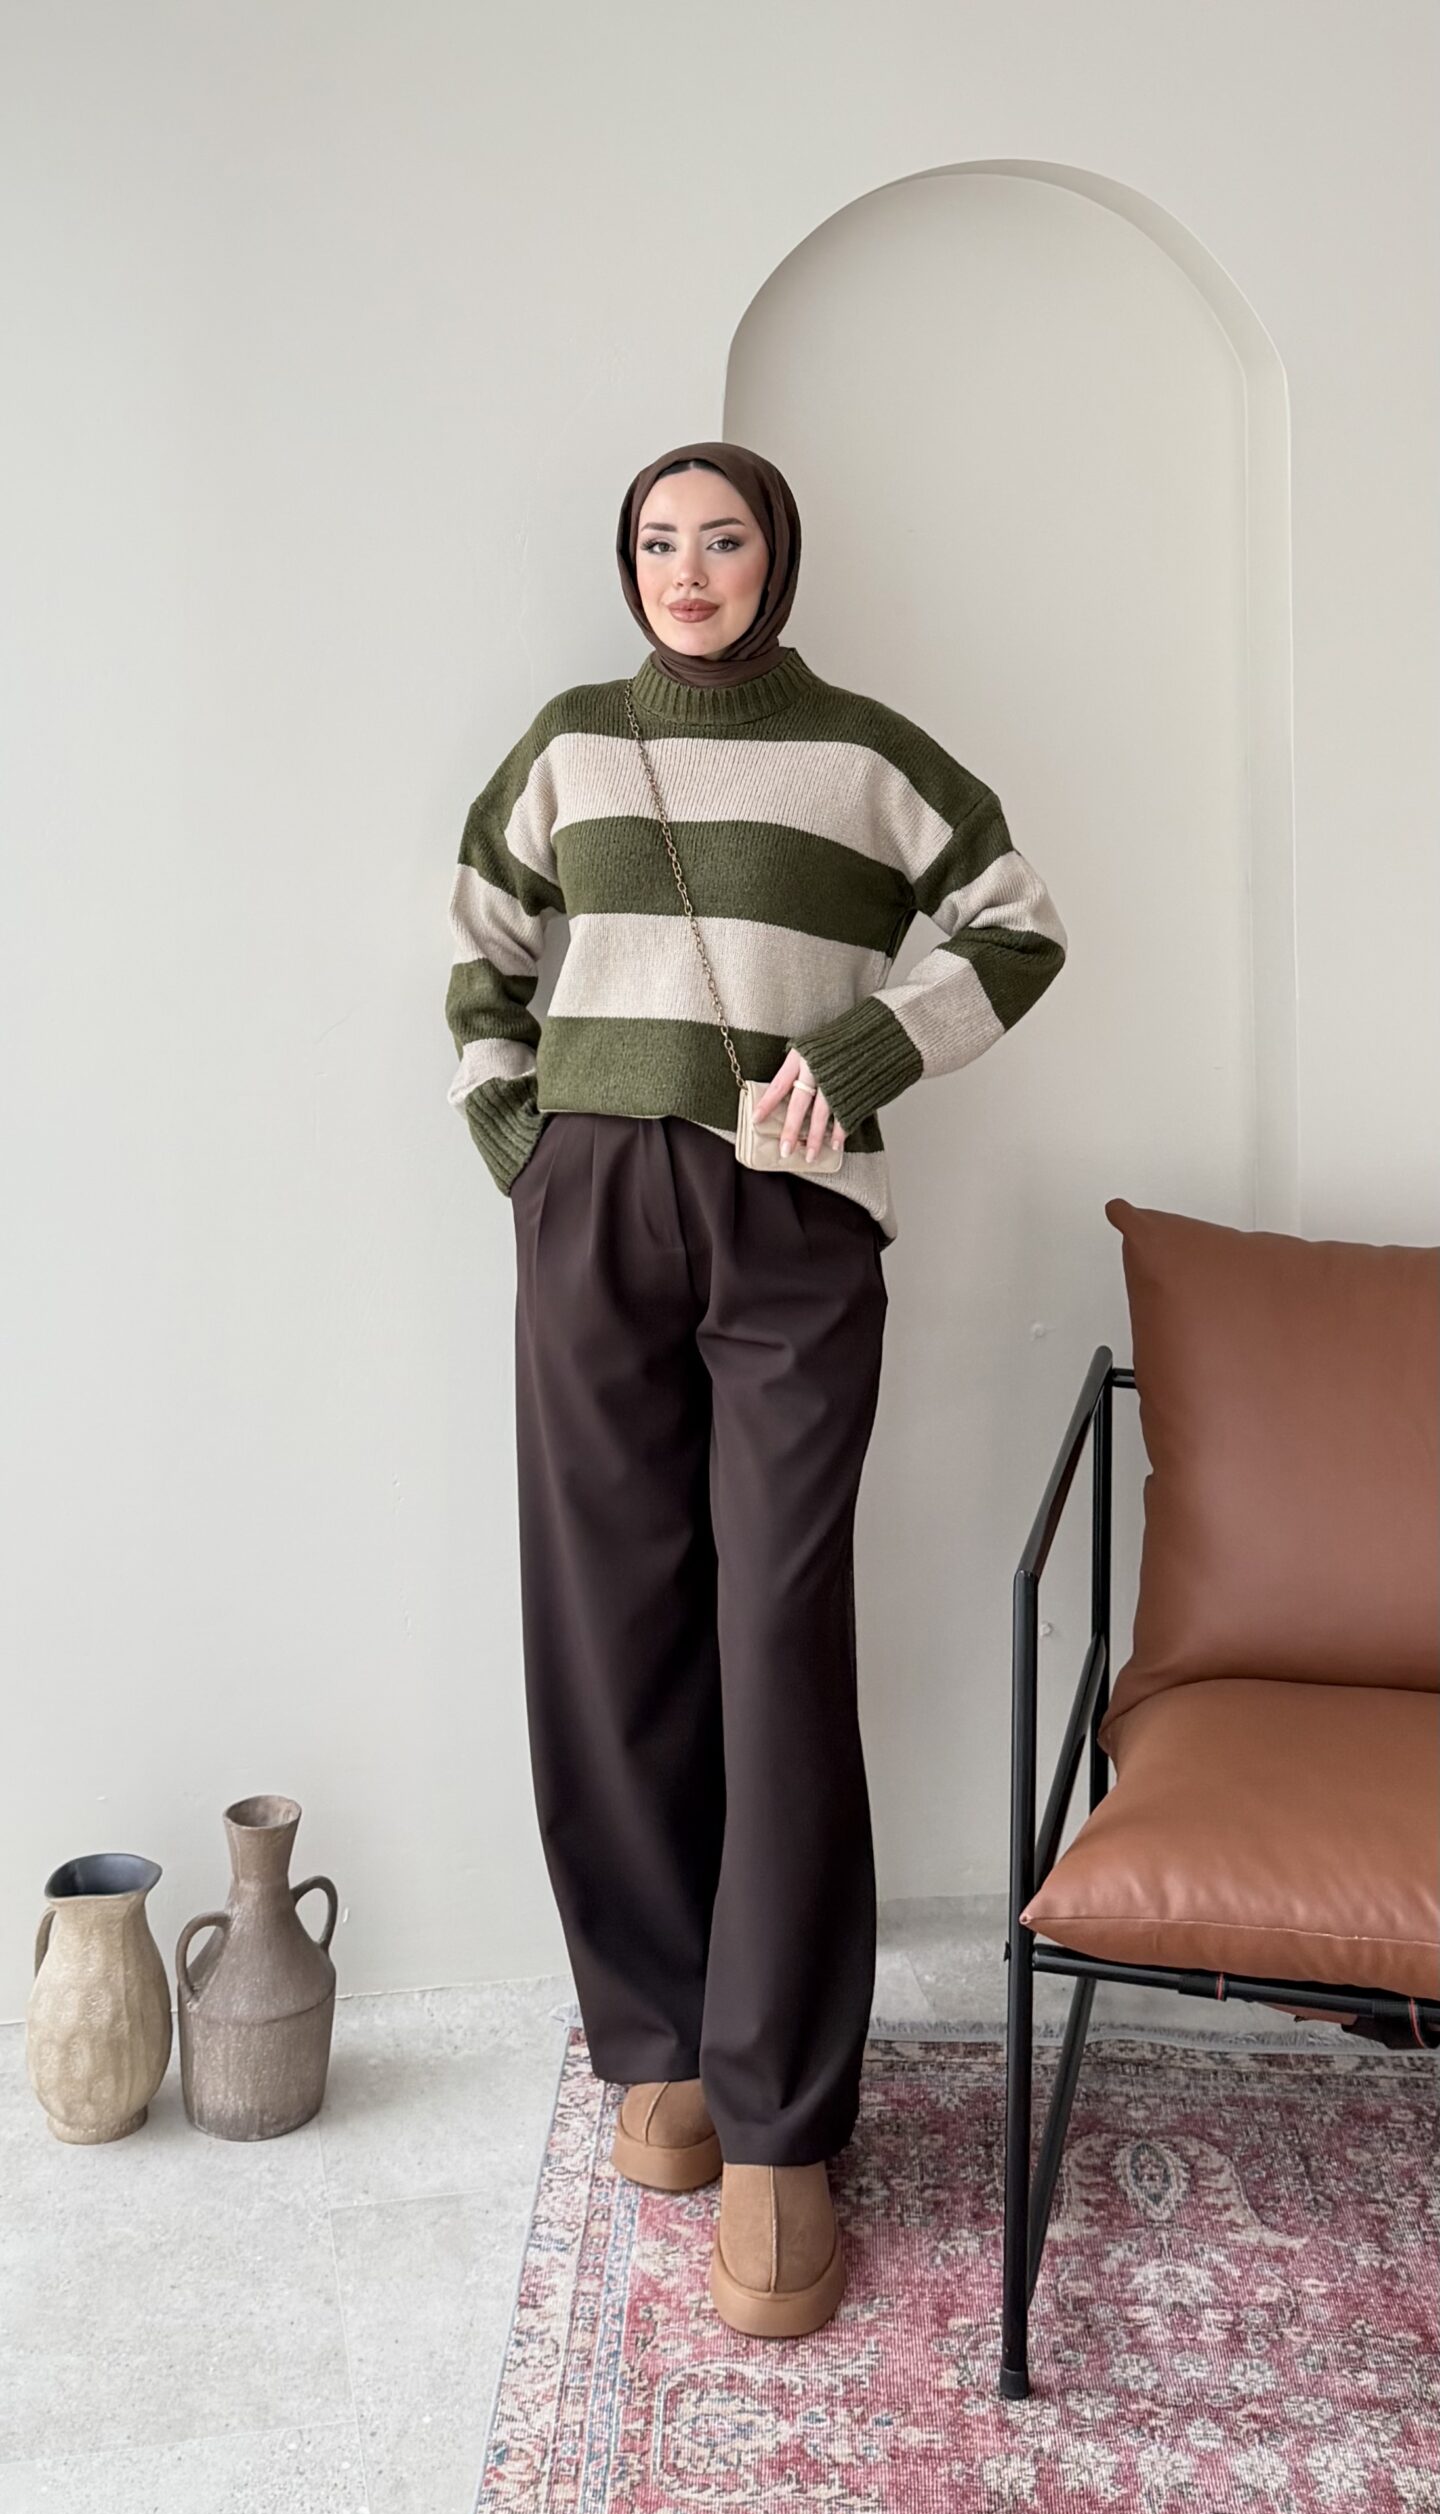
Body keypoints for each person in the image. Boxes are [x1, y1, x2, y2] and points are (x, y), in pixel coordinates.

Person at [443, 438, 1068, 2338]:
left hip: (793, 1218)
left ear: (777, 558)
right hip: (588, 1211)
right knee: (608, 1628)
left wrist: (865, 1055)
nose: (688, 568)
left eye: (722, 538)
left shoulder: (867, 755)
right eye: (659, 541)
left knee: (775, 1636)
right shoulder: (569, 745)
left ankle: (785, 2122)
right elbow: (481, 945)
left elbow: (1020, 920)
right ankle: (659, 2046)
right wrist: (520, 1143)